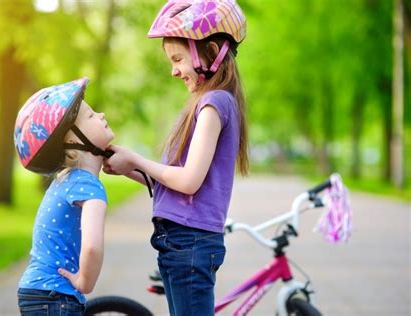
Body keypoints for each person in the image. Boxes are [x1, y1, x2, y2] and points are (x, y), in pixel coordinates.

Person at [103, 1, 248, 314]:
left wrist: (138, 159)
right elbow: (173, 181)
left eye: (178, 58)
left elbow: (188, 181)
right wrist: (128, 167)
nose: (173, 70)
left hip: (190, 243)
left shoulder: (213, 103)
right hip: (179, 241)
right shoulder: (208, 103)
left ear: (209, 51)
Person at [14, 77, 114, 315]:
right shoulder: (88, 186)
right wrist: (84, 282)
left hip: (38, 290)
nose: (100, 114)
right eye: (90, 116)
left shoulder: (67, 180)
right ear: (73, 140)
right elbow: (91, 247)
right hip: (55, 295)